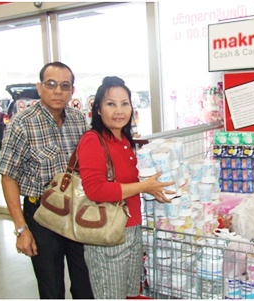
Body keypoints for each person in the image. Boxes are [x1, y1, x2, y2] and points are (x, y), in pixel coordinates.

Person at [0, 62, 94, 299]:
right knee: (51, 289)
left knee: (85, 284)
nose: (58, 91)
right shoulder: (22, 123)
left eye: (65, 85)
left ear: (72, 90)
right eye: (51, 84)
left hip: (76, 211)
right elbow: (8, 177)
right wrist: (21, 229)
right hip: (41, 215)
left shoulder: (78, 120)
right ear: (39, 87)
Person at [76, 76, 175, 299]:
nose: (119, 110)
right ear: (98, 109)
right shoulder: (93, 140)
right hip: (106, 235)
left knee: (130, 295)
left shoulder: (125, 142)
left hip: (131, 230)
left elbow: (133, 182)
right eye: (111, 104)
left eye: (125, 103)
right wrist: (142, 186)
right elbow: (96, 190)